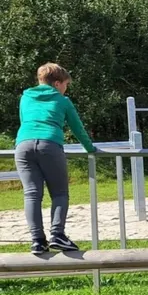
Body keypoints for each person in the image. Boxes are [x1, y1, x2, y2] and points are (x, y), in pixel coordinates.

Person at [14, 63, 97, 254]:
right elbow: (78, 129)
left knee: (32, 194)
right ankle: (57, 234)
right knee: (59, 193)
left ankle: (37, 240)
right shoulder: (62, 101)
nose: (66, 89)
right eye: (66, 84)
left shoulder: (25, 98)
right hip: (49, 144)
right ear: (58, 83)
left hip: (23, 145)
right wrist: (90, 149)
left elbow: (23, 121)